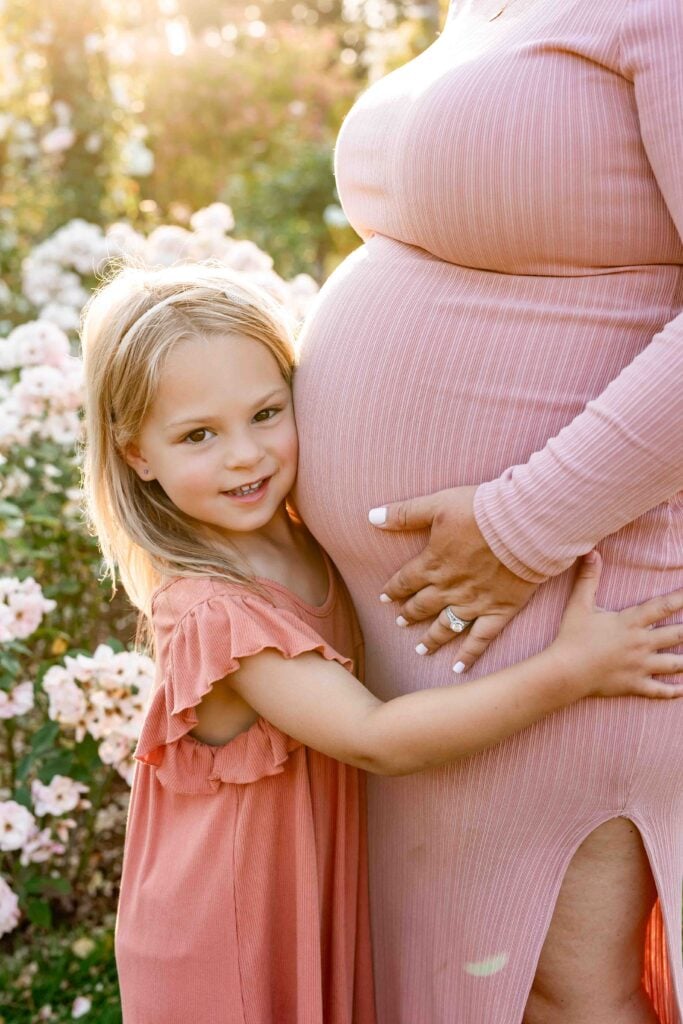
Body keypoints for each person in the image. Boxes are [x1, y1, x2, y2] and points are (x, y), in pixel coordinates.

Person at [78, 263, 681, 1024]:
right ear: (136, 454)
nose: (244, 455)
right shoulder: (212, 611)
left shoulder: (302, 542)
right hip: (228, 937)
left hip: (303, 899)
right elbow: (375, 738)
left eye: (266, 413)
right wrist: (571, 669)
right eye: (198, 435)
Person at [292, 0, 683, 1021]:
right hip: (436, 616)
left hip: (584, 583)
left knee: (558, 988)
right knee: (453, 973)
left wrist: (521, 526)